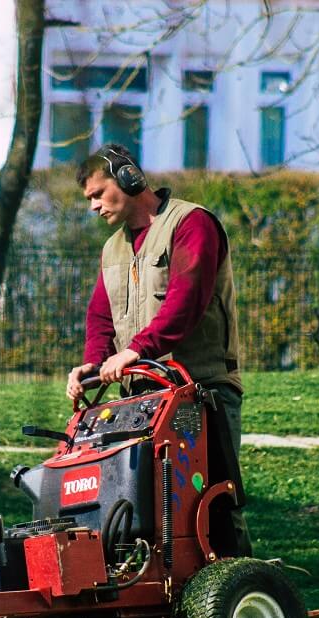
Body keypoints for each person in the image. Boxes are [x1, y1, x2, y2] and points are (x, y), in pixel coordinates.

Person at [65, 143, 250, 556]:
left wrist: (136, 350)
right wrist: (93, 365)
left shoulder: (191, 224)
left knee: (212, 505)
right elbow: (101, 316)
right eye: (89, 199)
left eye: (98, 194)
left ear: (130, 179)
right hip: (144, 399)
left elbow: (186, 301)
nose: (93, 206)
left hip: (202, 392)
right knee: (141, 510)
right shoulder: (113, 248)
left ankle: (241, 596)